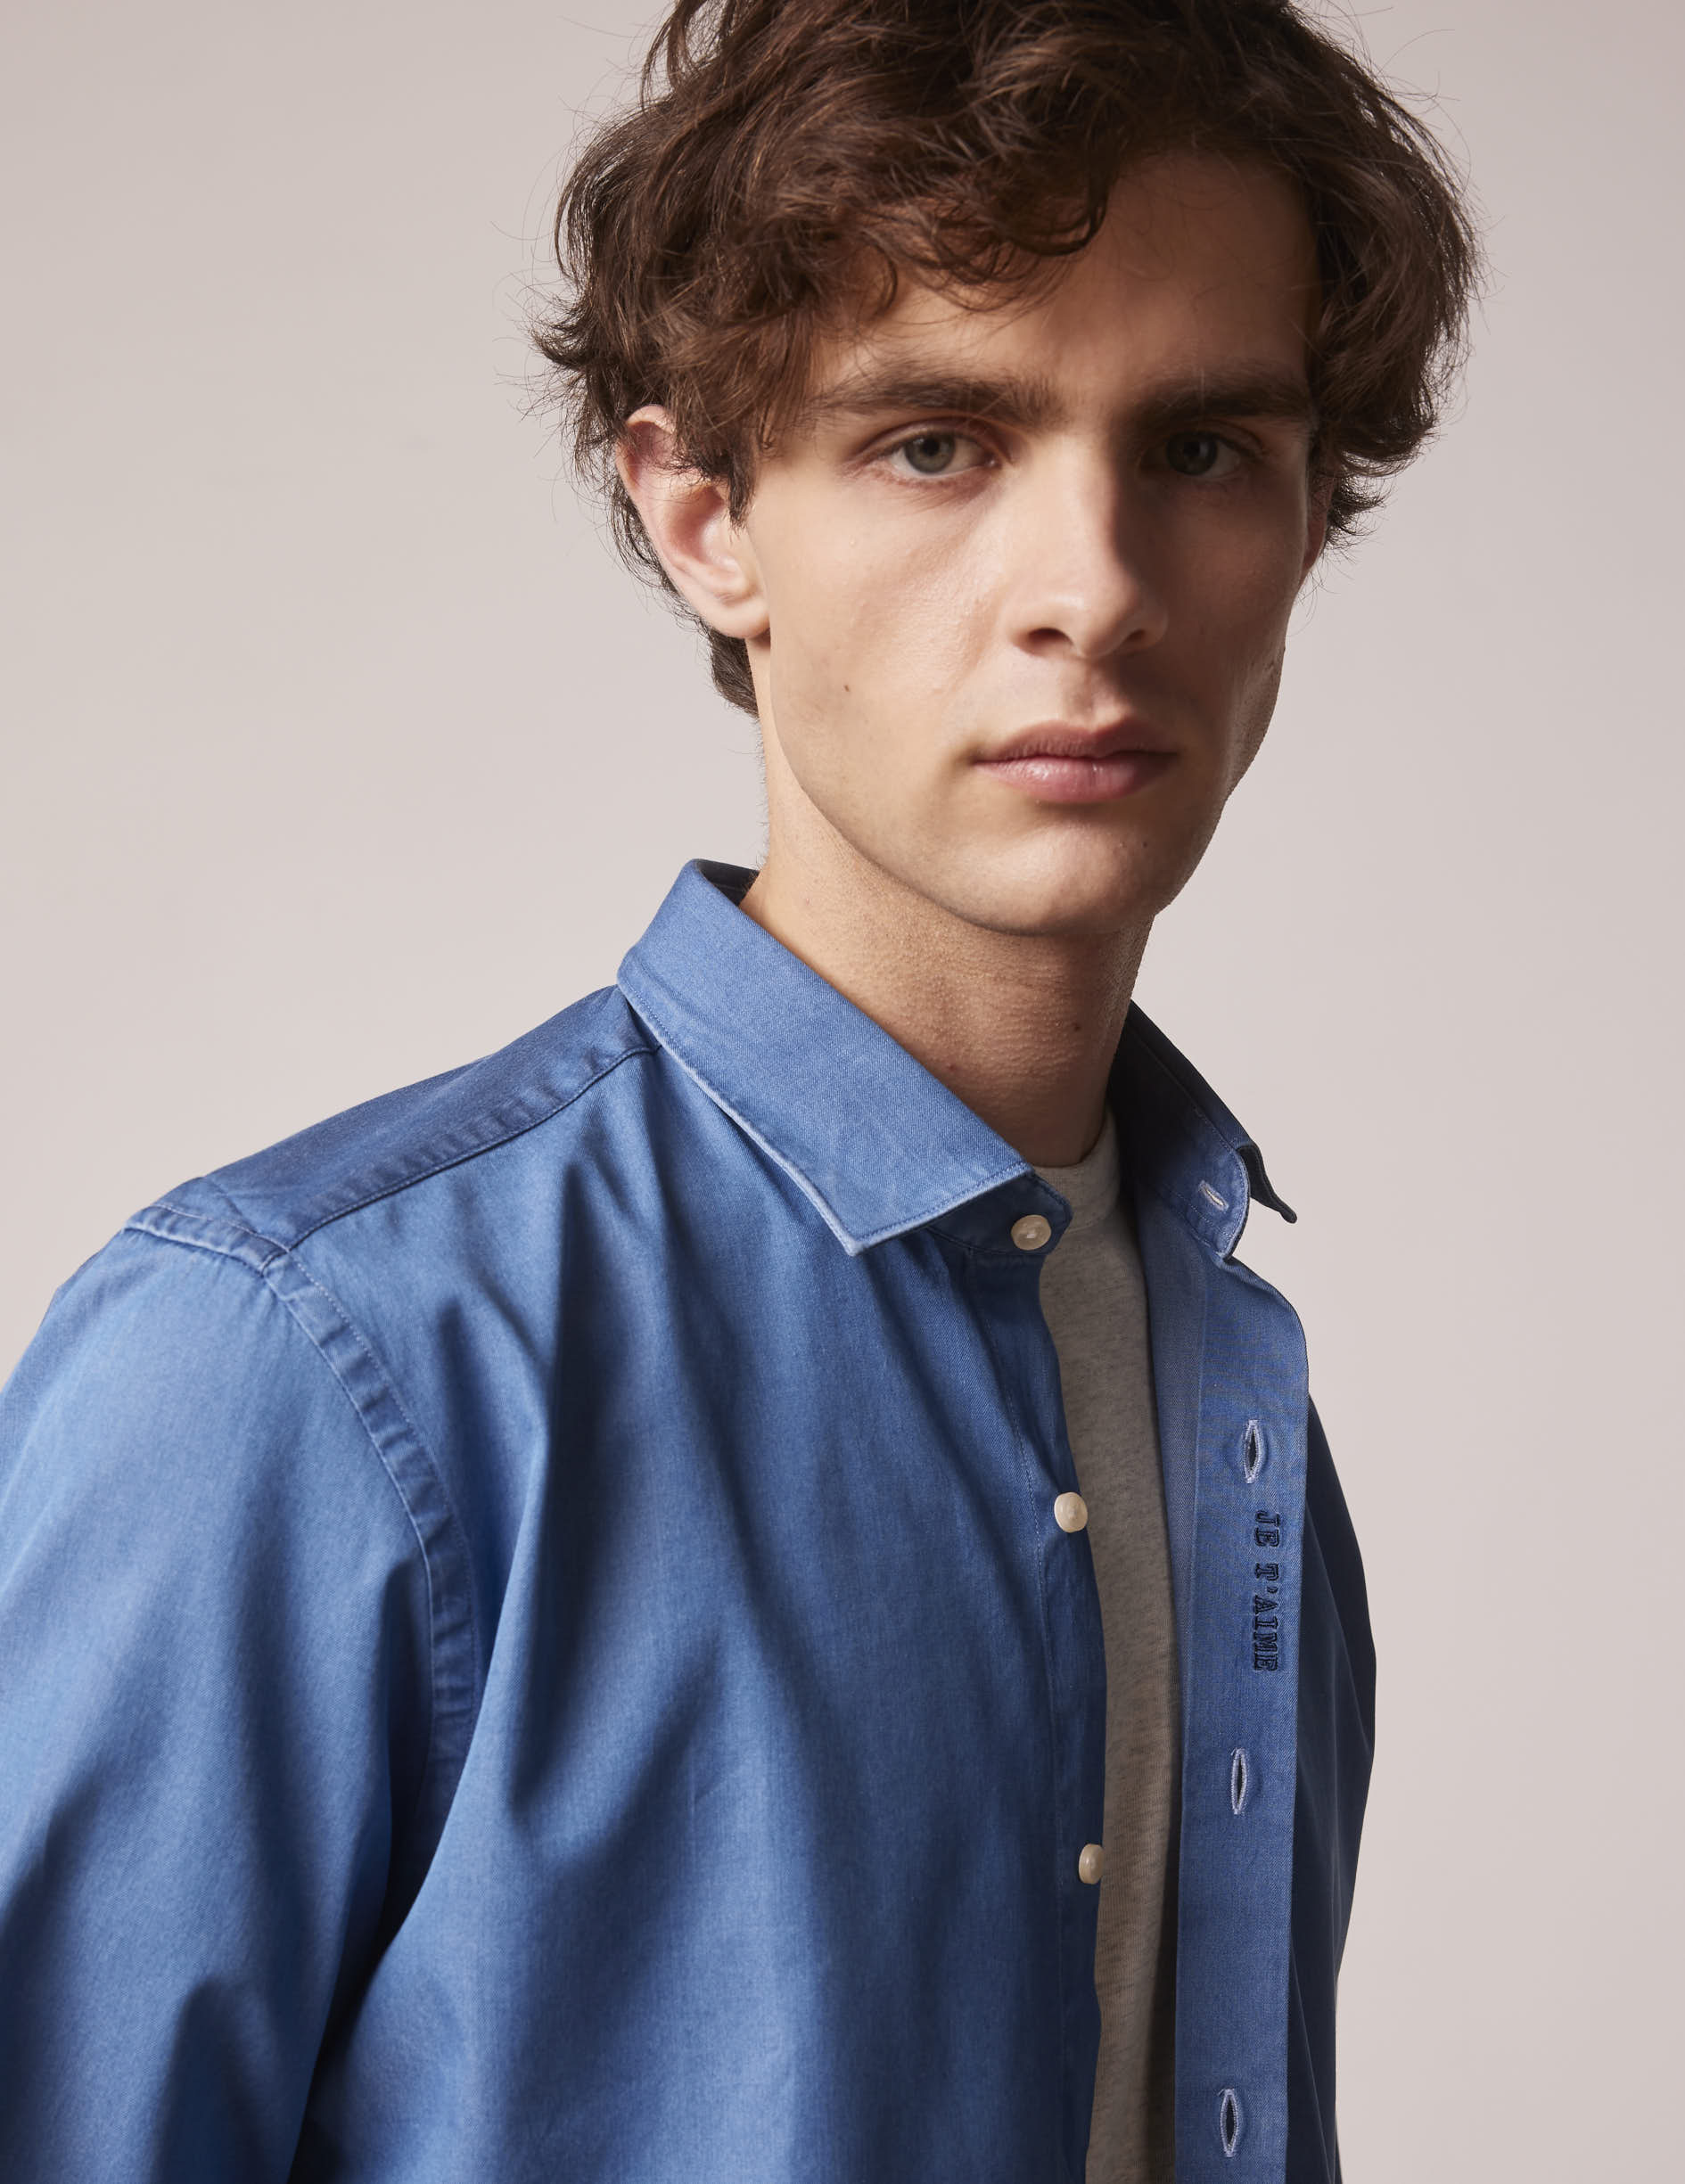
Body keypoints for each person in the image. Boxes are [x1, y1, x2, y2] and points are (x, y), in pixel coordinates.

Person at [0, 2, 1477, 2178]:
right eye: (938, 443)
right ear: (704, 514)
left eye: (1199, 449)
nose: (1093, 591)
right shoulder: (298, 1365)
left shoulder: (1229, 1382)